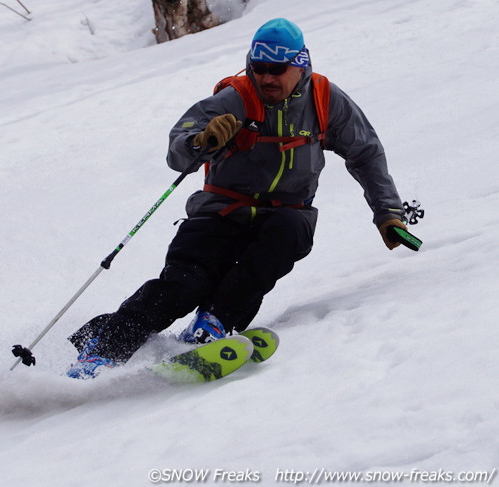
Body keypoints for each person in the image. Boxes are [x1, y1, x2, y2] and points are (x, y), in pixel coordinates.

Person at [66, 17, 407, 379]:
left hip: (285, 217)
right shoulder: (236, 98)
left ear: (301, 64)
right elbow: (177, 151)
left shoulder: (326, 101)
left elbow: (366, 153)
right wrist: (200, 141)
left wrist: (388, 212)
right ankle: (102, 349)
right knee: (183, 286)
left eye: (277, 69)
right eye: (260, 68)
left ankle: (213, 325)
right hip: (219, 215)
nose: (267, 78)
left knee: (273, 247)